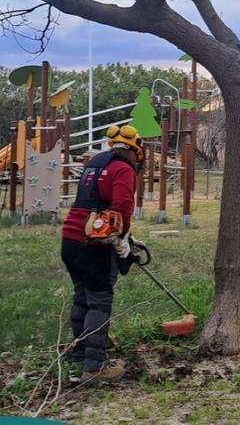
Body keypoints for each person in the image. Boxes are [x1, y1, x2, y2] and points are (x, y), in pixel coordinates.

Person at [60, 124, 141, 383]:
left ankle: (82, 353)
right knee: (99, 300)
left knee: (82, 296)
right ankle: (95, 368)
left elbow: (93, 203)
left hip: (70, 239)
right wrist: (121, 238)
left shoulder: (94, 164)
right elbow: (122, 208)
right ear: (133, 150)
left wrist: (124, 237)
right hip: (95, 244)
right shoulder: (124, 169)